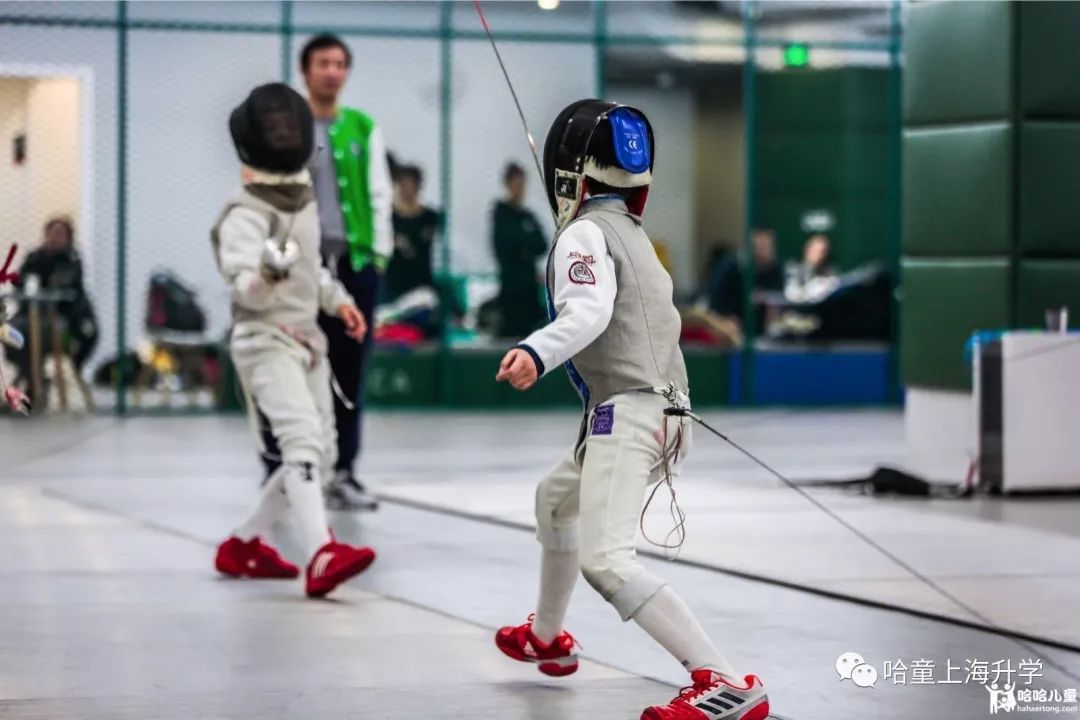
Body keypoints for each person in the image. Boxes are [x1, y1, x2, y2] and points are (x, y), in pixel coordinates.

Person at [492, 99, 770, 720]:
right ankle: (547, 641)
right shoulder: (632, 234)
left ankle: (725, 681)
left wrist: (535, 352)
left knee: (606, 561)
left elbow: (585, 314)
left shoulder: (584, 234)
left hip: (632, 413)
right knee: (555, 500)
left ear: (566, 173)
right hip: (657, 411)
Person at [210, 82, 375, 598]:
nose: (283, 132)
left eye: (289, 124)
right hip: (263, 340)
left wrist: (339, 300)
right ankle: (322, 552)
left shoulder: (302, 200)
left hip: (308, 341)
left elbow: (313, 272)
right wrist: (266, 272)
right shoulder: (243, 213)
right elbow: (246, 291)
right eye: (274, 126)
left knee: (320, 456)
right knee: (300, 442)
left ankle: (242, 544)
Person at [294, 33, 393, 510]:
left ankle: (345, 472)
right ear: (305, 70)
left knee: (350, 372)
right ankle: (287, 473)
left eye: (339, 64)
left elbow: (379, 193)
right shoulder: (287, 126)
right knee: (295, 367)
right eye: (323, 63)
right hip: (301, 270)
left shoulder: (362, 126)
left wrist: (378, 257)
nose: (332, 71)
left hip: (355, 268)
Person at [7, 217, 99, 397]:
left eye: (61, 234)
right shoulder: (35, 257)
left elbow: (66, 289)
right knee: (11, 333)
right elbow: (20, 282)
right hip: (30, 316)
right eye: (52, 233)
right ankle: (33, 379)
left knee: (39, 333)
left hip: (60, 320)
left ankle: (34, 386)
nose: (56, 238)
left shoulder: (71, 260)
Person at [492, 162, 547, 338]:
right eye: (516, 184)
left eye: (522, 184)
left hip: (529, 286)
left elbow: (542, 244)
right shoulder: (501, 214)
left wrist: (523, 248)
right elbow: (504, 245)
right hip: (511, 285)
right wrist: (524, 247)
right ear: (508, 185)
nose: (520, 189)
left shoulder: (528, 216)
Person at [783, 232, 838, 304]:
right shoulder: (793, 267)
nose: (819, 255)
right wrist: (811, 290)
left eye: (822, 251)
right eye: (815, 250)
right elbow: (791, 294)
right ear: (807, 249)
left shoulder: (829, 270)